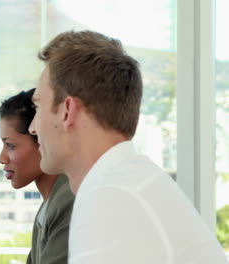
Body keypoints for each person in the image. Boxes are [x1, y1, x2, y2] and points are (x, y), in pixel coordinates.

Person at [28, 29, 228, 263]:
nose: (32, 127)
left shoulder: (110, 198)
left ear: (67, 111)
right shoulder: (129, 182)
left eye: (38, 107)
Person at [0, 88, 75, 264]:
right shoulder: (48, 207)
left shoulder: (68, 200)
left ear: (42, 139)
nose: (1, 159)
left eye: (10, 145)